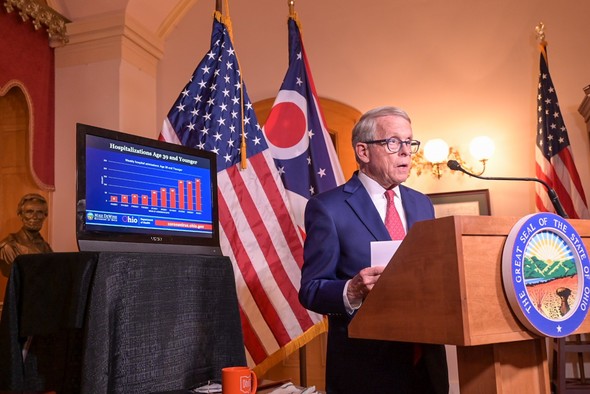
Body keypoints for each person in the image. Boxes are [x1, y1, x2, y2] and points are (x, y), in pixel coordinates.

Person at [299, 106, 449, 393]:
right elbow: (311, 289)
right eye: (393, 142)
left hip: (427, 362)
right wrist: (351, 290)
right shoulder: (328, 208)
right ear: (363, 152)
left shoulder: (422, 204)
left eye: (409, 142)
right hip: (367, 368)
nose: (406, 151)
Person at [0, 193, 53, 276]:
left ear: (44, 216)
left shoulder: (46, 246)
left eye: (39, 212)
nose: (35, 217)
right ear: (21, 215)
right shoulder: (8, 247)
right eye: (29, 212)